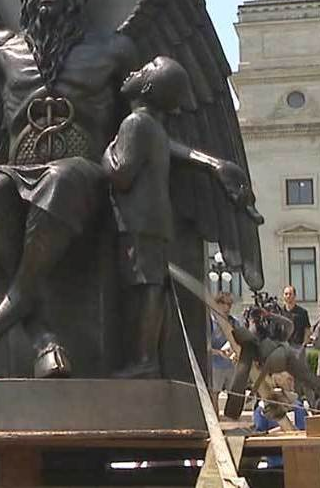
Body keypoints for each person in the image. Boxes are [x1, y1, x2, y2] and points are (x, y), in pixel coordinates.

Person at [102, 56, 196, 377]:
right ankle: (148, 359)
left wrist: (106, 151)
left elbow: (120, 174)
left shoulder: (135, 124)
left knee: (145, 289)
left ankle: (144, 361)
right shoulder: (155, 128)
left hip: (138, 220)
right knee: (152, 286)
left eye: (143, 70)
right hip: (153, 220)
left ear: (149, 86)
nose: (132, 71)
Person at [209, 292, 237, 409]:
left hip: (232, 364)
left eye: (230, 304)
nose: (228, 307)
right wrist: (219, 352)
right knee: (214, 393)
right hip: (216, 365)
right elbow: (206, 347)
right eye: (225, 303)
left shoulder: (234, 322)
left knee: (235, 394)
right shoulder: (210, 323)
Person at [279, 285, 310, 362]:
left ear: (295, 296)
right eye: (286, 294)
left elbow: (307, 329)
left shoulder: (302, 312)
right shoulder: (279, 313)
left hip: (297, 348)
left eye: (290, 294)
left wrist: (303, 345)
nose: (288, 296)